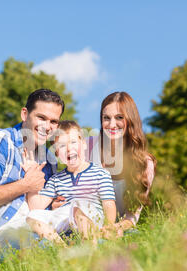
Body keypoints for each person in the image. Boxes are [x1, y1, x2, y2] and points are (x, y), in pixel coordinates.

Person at [0, 88, 64, 265]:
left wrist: (53, 205)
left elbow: (38, 212)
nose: (47, 127)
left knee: (92, 246)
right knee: (47, 251)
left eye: (53, 121)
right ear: (25, 114)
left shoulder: (50, 160)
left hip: (33, 231)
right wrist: (25, 185)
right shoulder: (1, 141)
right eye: (41, 117)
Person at [54, 92, 156, 239]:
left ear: (130, 119)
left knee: (136, 238)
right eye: (106, 118)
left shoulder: (144, 164)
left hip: (116, 229)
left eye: (119, 117)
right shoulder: (87, 146)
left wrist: (112, 228)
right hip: (78, 226)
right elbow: (67, 181)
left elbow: (131, 217)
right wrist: (58, 204)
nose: (112, 124)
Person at [24, 120, 117, 244]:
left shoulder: (100, 173)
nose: (68, 148)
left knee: (77, 207)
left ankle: (89, 244)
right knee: (32, 217)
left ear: (83, 144)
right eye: (61, 146)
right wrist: (31, 176)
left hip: (91, 218)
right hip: (65, 219)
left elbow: (108, 204)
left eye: (73, 142)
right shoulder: (56, 180)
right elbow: (36, 206)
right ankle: (60, 247)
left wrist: (109, 226)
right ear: (57, 153)